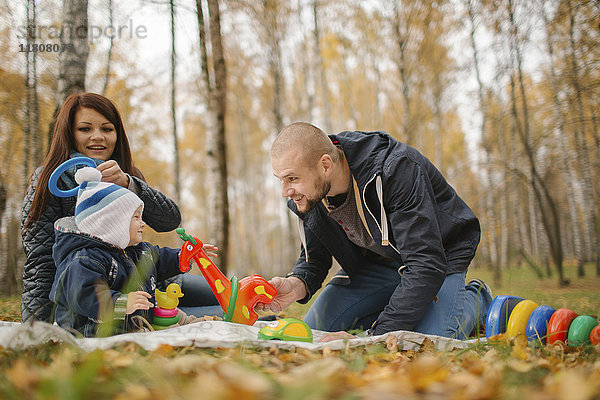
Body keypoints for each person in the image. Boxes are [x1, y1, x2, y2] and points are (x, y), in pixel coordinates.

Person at [261, 122, 492, 339]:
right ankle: (399, 304)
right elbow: (315, 259)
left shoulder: (395, 169)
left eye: (292, 178)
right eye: (280, 179)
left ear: (325, 165)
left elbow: (425, 263)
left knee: (426, 339)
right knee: (314, 328)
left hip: (438, 258)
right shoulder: (308, 195)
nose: (285, 191)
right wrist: (296, 284)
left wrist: (376, 336)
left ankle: (476, 298)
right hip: (380, 264)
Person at [21, 92, 218, 323]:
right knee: (218, 313)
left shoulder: (127, 175)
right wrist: (36, 327)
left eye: (107, 129)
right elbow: (41, 259)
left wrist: (128, 183)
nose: (98, 137)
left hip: (153, 282)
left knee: (224, 294)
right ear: (69, 133)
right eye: (85, 129)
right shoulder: (49, 181)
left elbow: (170, 220)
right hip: (99, 300)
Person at [50, 167, 215, 336]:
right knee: (160, 331)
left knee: (173, 315)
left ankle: (193, 325)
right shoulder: (84, 259)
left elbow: (158, 259)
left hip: (134, 321)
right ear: (111, 223)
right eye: (136, 217)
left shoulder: (133, 250)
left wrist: (183, 257)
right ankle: (183, 330)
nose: (143, 223)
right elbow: (85, 296)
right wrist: (121, 303)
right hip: (93, 331)